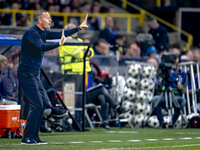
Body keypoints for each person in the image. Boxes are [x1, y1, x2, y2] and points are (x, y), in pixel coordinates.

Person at [17, 10, 88, 145]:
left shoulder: (43, 32)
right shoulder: (32, 32)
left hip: (34, 73)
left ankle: (34, 137)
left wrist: (78, 28)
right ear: (39, 20)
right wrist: (59, 44)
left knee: (42, 104)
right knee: (37, 104)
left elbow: (60, 34)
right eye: (48, 18)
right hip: (26, 73)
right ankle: (27, 138)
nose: (50, 20)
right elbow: (41, 46)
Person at [151, 54, 186, 128]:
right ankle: (161, 122)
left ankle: (172, 122)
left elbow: (183, 91)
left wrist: (181, 88)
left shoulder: (181, 74)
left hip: (175, 97)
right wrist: (159, 86)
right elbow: (159, 90)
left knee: (182, 100)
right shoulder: (163, 73)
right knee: (154, 100)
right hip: (164, 96)